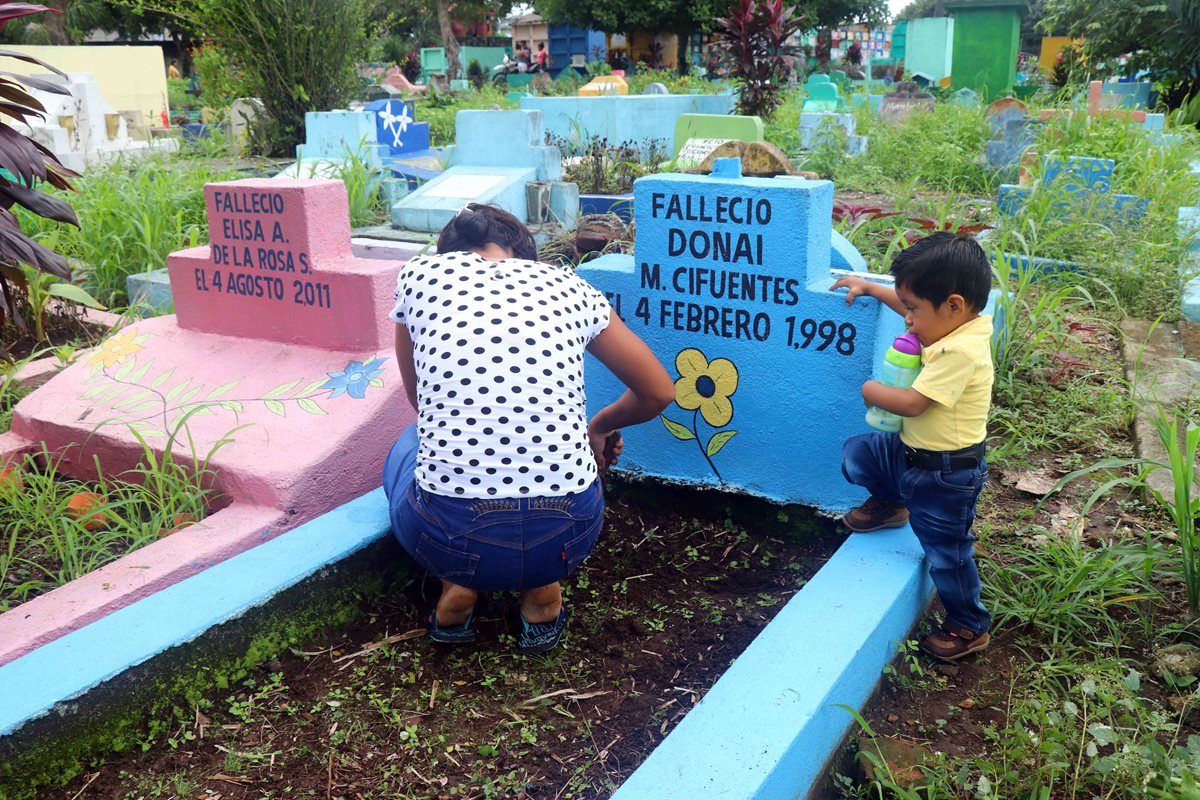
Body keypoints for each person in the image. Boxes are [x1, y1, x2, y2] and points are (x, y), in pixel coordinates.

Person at [383, 204, 675, 654]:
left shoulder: (420, 275)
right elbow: (658, 392)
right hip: (567, 532)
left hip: (451, 533)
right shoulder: (571, 286)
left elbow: (421, 402)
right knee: (553, 495)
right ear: (524, 251)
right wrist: (596, 427)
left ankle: (456, 584)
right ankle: (543, 595)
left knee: (410, 441)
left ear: (449, 250)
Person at [830, 232, 994, 662]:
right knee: (860, 452)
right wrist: (870, 288)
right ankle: (892, 503)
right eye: (906, 308)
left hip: (947, 475)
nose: (907, 319)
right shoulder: (948, 322)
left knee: (946, 554)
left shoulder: (962, 350)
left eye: (913, 311)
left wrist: (870, 389)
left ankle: (968, 625)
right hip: (911, 454)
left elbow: (914, 403)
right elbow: (915, 306)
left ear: (954, 305)